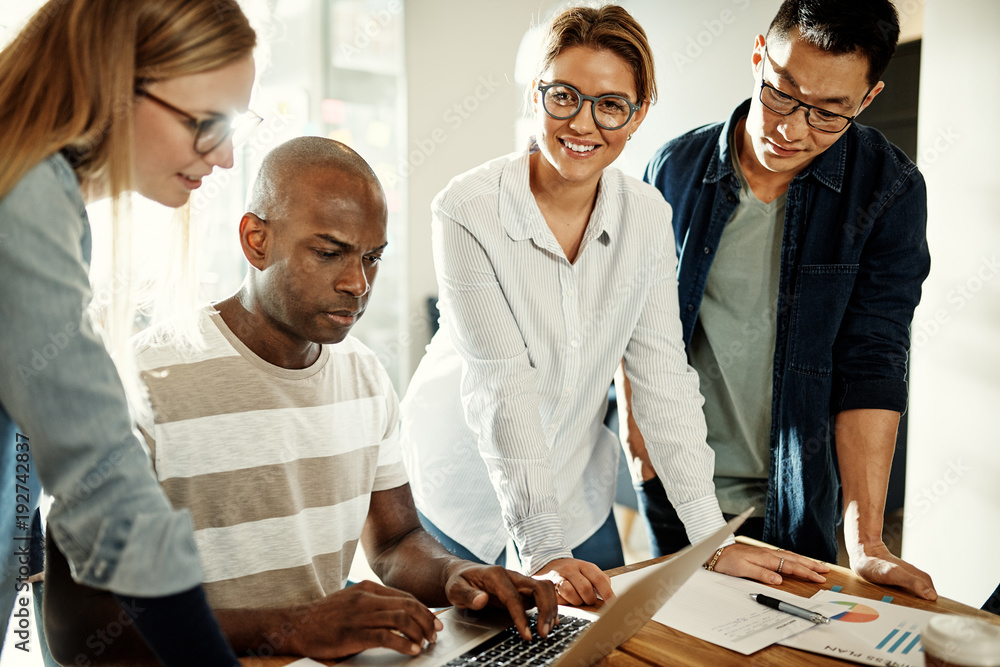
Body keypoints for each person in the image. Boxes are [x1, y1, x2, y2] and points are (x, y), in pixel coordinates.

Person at [43, 137, 559, 664]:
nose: (358, 283)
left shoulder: (364, 375)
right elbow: (80, 627)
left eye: (373, 258)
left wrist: (454, 574)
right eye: (329, 252)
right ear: (256, 240)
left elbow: (395, 541)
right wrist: (292, 627)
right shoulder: (142, 380)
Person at [399, 4, 829, 609]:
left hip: (574, 488)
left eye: (610, 104)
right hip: (460, 488)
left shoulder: (646, 214)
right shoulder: (467, 208)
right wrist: (542, 548)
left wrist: (709, 536)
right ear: (535, 95)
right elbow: (500, 385)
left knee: (607, 640)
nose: (583, 123)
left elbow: (663, 382)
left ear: (638, 114)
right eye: (564, 96)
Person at [624, 0, 937, 600]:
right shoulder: (676, 166)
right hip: (677, 484)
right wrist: (639, 438)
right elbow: (636, 314)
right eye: (782, 94)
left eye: (828, 114)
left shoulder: (890, 189)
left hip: (797, 493)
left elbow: (874, 358)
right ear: (758, 57)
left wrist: (866, 539)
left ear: (867, 100)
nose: (792, 129)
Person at [0, 0, 259, 663]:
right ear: (116, 80)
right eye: (207, 124)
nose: (226, 157)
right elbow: (100, 473)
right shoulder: (25, 196)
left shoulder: (44, 191)